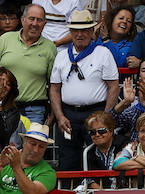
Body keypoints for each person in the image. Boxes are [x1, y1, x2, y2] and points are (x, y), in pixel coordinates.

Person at [48, 10, 118, 172]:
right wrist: (59, 116)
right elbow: (54, 89)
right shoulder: (62, 56)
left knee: (97, 156)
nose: (80, 34)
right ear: (70, 32)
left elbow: (113, 86)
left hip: (95, 112)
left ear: (91, 31)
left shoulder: (102, 53)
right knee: (68, 159)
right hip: (68, 114)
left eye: (85, 30)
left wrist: (105, 115)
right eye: (76, 31)